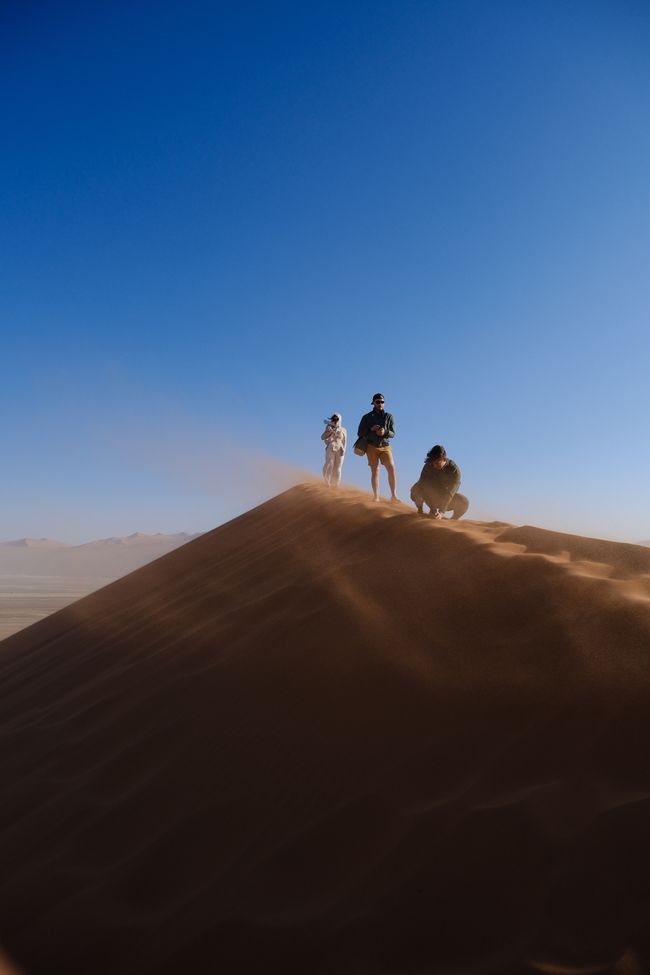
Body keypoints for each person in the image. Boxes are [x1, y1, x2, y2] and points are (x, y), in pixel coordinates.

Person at [357, 393, 399, 502]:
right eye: (378, 402)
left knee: (391, 468)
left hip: (385, 446)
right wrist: (371, 429)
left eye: (382, 402)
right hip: (371, 446)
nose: (380, 404)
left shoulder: (389, 416)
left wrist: (385, 432)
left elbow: (393, 433)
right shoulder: (366, 417)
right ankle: (376, 496)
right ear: (373, 403)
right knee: (375, 471)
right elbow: (360, 433)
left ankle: (394, 496)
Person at [410, 444, 469, 519]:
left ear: (444, 459)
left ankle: (452, 521)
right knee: (415, 491)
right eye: (432, 463)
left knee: (464, 502)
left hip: (445, 498)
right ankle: (428, 512)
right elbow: (421, 483)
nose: (434, 465)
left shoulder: (454, 471)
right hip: (429, 496)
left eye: (437, 463)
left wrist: (441, 512)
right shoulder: (429, 465)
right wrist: (418, 497)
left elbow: (450, 493)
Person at [321, 413, 347, 487]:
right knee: (329, 463)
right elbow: (323, 437)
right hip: (331, 447)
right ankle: (326, 480)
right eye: (333, 419)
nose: (335, 420)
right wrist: (329, 431)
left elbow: (345, 441)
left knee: (338, 468)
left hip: (340, 449)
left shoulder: (343, 430)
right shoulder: (329, 427)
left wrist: (344, 450)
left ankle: (336, 484)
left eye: (337, 419)